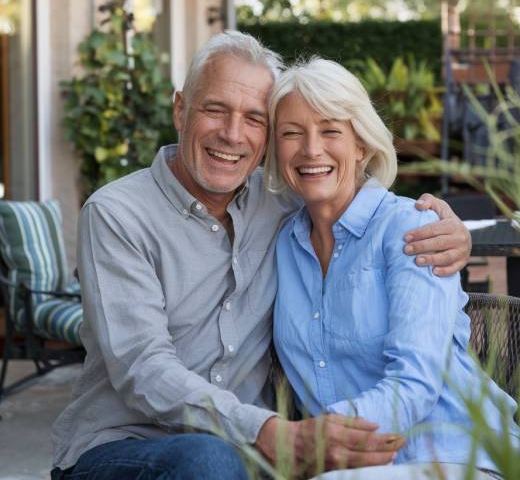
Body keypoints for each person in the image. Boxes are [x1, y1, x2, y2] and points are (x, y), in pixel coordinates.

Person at [51, 32, 472, 479]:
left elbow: (341, 189)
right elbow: (143, 367)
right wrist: (267, 431)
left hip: (249, 454)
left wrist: (447, 227)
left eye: (254, 118)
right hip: (126, 445)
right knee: (208, 460)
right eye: (214, 109)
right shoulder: (117, 214)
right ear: (180, 110)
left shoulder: (281, 205)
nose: (232, 135)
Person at [267, 58, 520, 477]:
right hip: (344, 468)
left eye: (330, 130)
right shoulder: (281, 244)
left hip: (460, 455)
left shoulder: (411, 228)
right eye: (291, 133)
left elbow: (416, 383)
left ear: (361, 145)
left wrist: (314, 438)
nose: (311, 149)